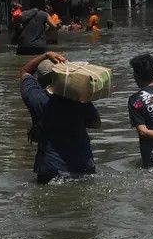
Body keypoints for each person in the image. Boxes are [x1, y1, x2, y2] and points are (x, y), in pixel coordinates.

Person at [19, 51, 101, 184]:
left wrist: (46, 55)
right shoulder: (79, 98)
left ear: (40, 80)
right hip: (85, 168)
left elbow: (24, 72)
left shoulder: (37, 98)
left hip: (52, 171)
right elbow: (96, 123)